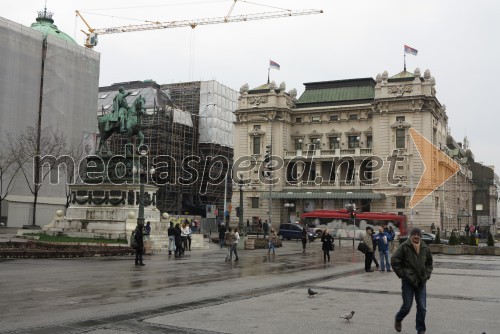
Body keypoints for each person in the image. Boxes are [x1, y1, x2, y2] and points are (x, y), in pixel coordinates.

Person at [391, 227, 433, 334]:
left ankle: (421, 329)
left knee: (422, 308)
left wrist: (426, 274)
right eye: (414, 234)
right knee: (407, 306)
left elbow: (429, 263)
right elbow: (395, 260)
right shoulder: (404, 246)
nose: (416, 236)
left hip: (421, 282)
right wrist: (403, 274)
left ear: (420, 236)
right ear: (411, 235)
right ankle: (398, 318)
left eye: (418, 234)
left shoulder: (424, 247)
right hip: (408, 282)